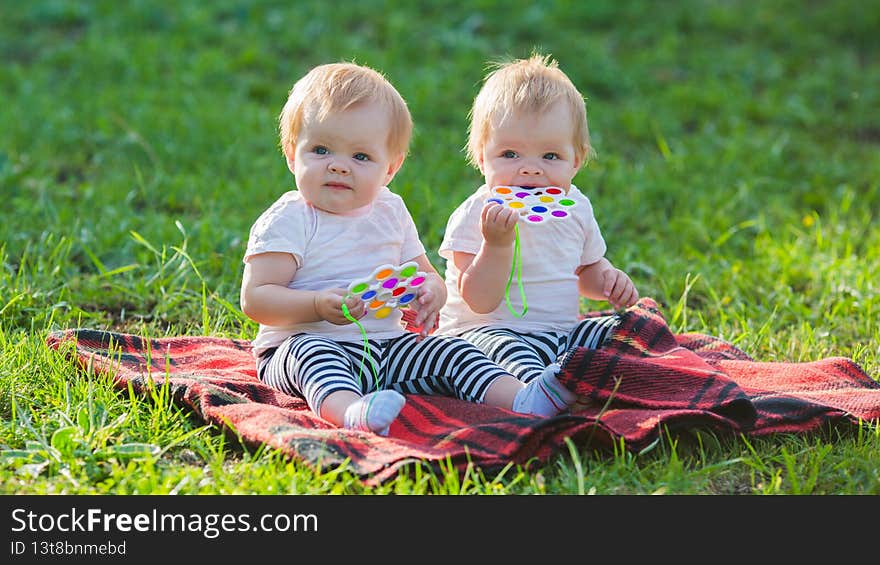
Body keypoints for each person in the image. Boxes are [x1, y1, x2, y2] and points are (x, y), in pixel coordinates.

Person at [240, 62, 584, 436]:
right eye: (321, 150)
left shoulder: (390, 210)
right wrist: (316, 305)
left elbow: (423, 272)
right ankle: (351, 412)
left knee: (453, 353)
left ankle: (522, 398)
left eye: (361, 157)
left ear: (390, 168)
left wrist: (430, 294)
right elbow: (256, 299)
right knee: (311, 355)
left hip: (386, 347)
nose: (339, 167)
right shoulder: (290, 219)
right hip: (300, 343)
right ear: (292, 154)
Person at [435, 53, 639, 392]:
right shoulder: (476, 213)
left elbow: (585, 273)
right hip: (481, 337)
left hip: (558, 334)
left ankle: (582, 379)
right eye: (510, 155)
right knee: (505, 350)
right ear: (482, 158)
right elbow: (479, 300)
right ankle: (544, 393)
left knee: (625, 331)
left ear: (576, 160)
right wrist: (497, 244)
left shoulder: (577, 208)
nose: (530, 169)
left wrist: (607, 280)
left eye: (550, 156)